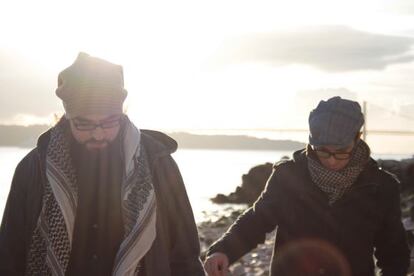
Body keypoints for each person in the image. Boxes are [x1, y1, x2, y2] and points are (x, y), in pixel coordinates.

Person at [0, 53, 205, 276]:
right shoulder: (34, 168)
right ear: (67, 117)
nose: (98, 134)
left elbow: (185, 254)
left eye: (108, 122)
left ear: (122, 113)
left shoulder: (158, 163)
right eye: (84, 124)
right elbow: (10, 254)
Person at [204, 96, 410, 276]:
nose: (331, 160)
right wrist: (224, 250)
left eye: (340, 152)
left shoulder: (382, 187)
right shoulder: (288, 176)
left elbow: (393, 252)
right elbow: (257, 219)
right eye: (322, 150)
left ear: (358, 138)